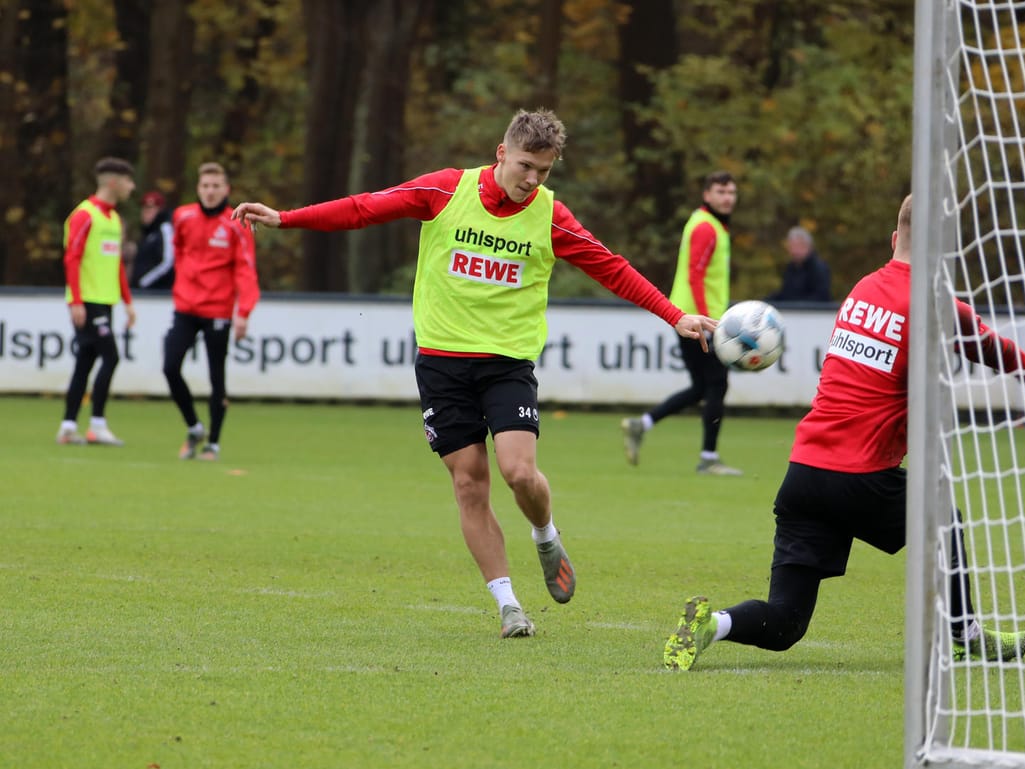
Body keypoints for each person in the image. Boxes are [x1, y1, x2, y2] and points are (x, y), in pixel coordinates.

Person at [233, 109, 715, 639]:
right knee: (469, 483)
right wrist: (286, 218)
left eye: (545, 171)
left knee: (519, 473)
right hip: (441, 364)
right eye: (527, 166)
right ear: (501, 153)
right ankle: (508, 604)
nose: (533, 180)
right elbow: (365, 208)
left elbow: (612, 267)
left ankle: (545, 533)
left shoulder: (551, 217)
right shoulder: (444, 191)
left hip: (507, 363)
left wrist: (676, 315)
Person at [662, 193, 1025, 671]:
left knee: (785, 624)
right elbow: (990, 347)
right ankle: (963, 635)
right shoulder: (931, 299)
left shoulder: (862, 289)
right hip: (861, 474)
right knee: (945, 517)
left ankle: (713, 624)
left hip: (804, 475)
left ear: (893, 237)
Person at [622, 171, 741, 476]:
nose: (727, 197)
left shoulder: (711, 224)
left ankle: (642, 424)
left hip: (691, 317)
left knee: (702, 387)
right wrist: (704, 322)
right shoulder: (706, 227)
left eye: (731, 192)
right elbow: (694, 275)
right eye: (721, 191)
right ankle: (709, 458)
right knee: (717, 383)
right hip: (695, 320)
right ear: (707, 195)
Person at [164, 162, 260, 462]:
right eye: (205, 186)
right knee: (170, 367)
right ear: (198, 188)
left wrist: (243, 310)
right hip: (185, 306)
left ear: (226, 190)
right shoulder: (183, 216)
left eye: (216, 186)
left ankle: (213, 444)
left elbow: (246, 269)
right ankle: (194, 426)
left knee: (216, 378)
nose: (210, 191)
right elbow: (178, 251)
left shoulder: (236, 224)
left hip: (218, 309)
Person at [56, 157, 138, 446]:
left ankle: (67, 427)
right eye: (129, 181)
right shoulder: (84, 215)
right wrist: (76, 301)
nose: (132, 186)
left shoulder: (114, 219)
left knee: (85, 362)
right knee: (111, 356)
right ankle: (97, 425)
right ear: (114, 182)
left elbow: (115, 265)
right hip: (87, 301)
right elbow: (72, 258)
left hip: (105, 301)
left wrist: (127, 301)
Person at [765, 226, 831, 303]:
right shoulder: (791, 268)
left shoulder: (819, 268)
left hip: (811, 313)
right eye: (792, 246)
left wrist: (795, 304)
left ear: (809, 246)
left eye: (799, 246)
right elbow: (785, 293)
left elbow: (821, 297)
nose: (795, 251)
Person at [130, 190, 176, 291]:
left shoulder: (165, 229)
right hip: (143, 293)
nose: (146, 212)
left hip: (158, 293)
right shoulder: (147, 233)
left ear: (160, 210)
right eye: (144, 208)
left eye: (150, 208)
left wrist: (143, 282)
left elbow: (167, 261)